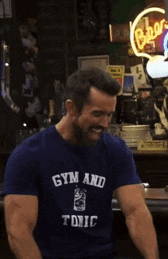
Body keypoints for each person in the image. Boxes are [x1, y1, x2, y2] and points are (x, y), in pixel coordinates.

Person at [2, 67, 159, 259]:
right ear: (71, 108)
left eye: (109, 115)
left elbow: (136, 213)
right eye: (97, 114)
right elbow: (19, 232)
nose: (105, 124)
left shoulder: (116, 150)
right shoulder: (29, 154)